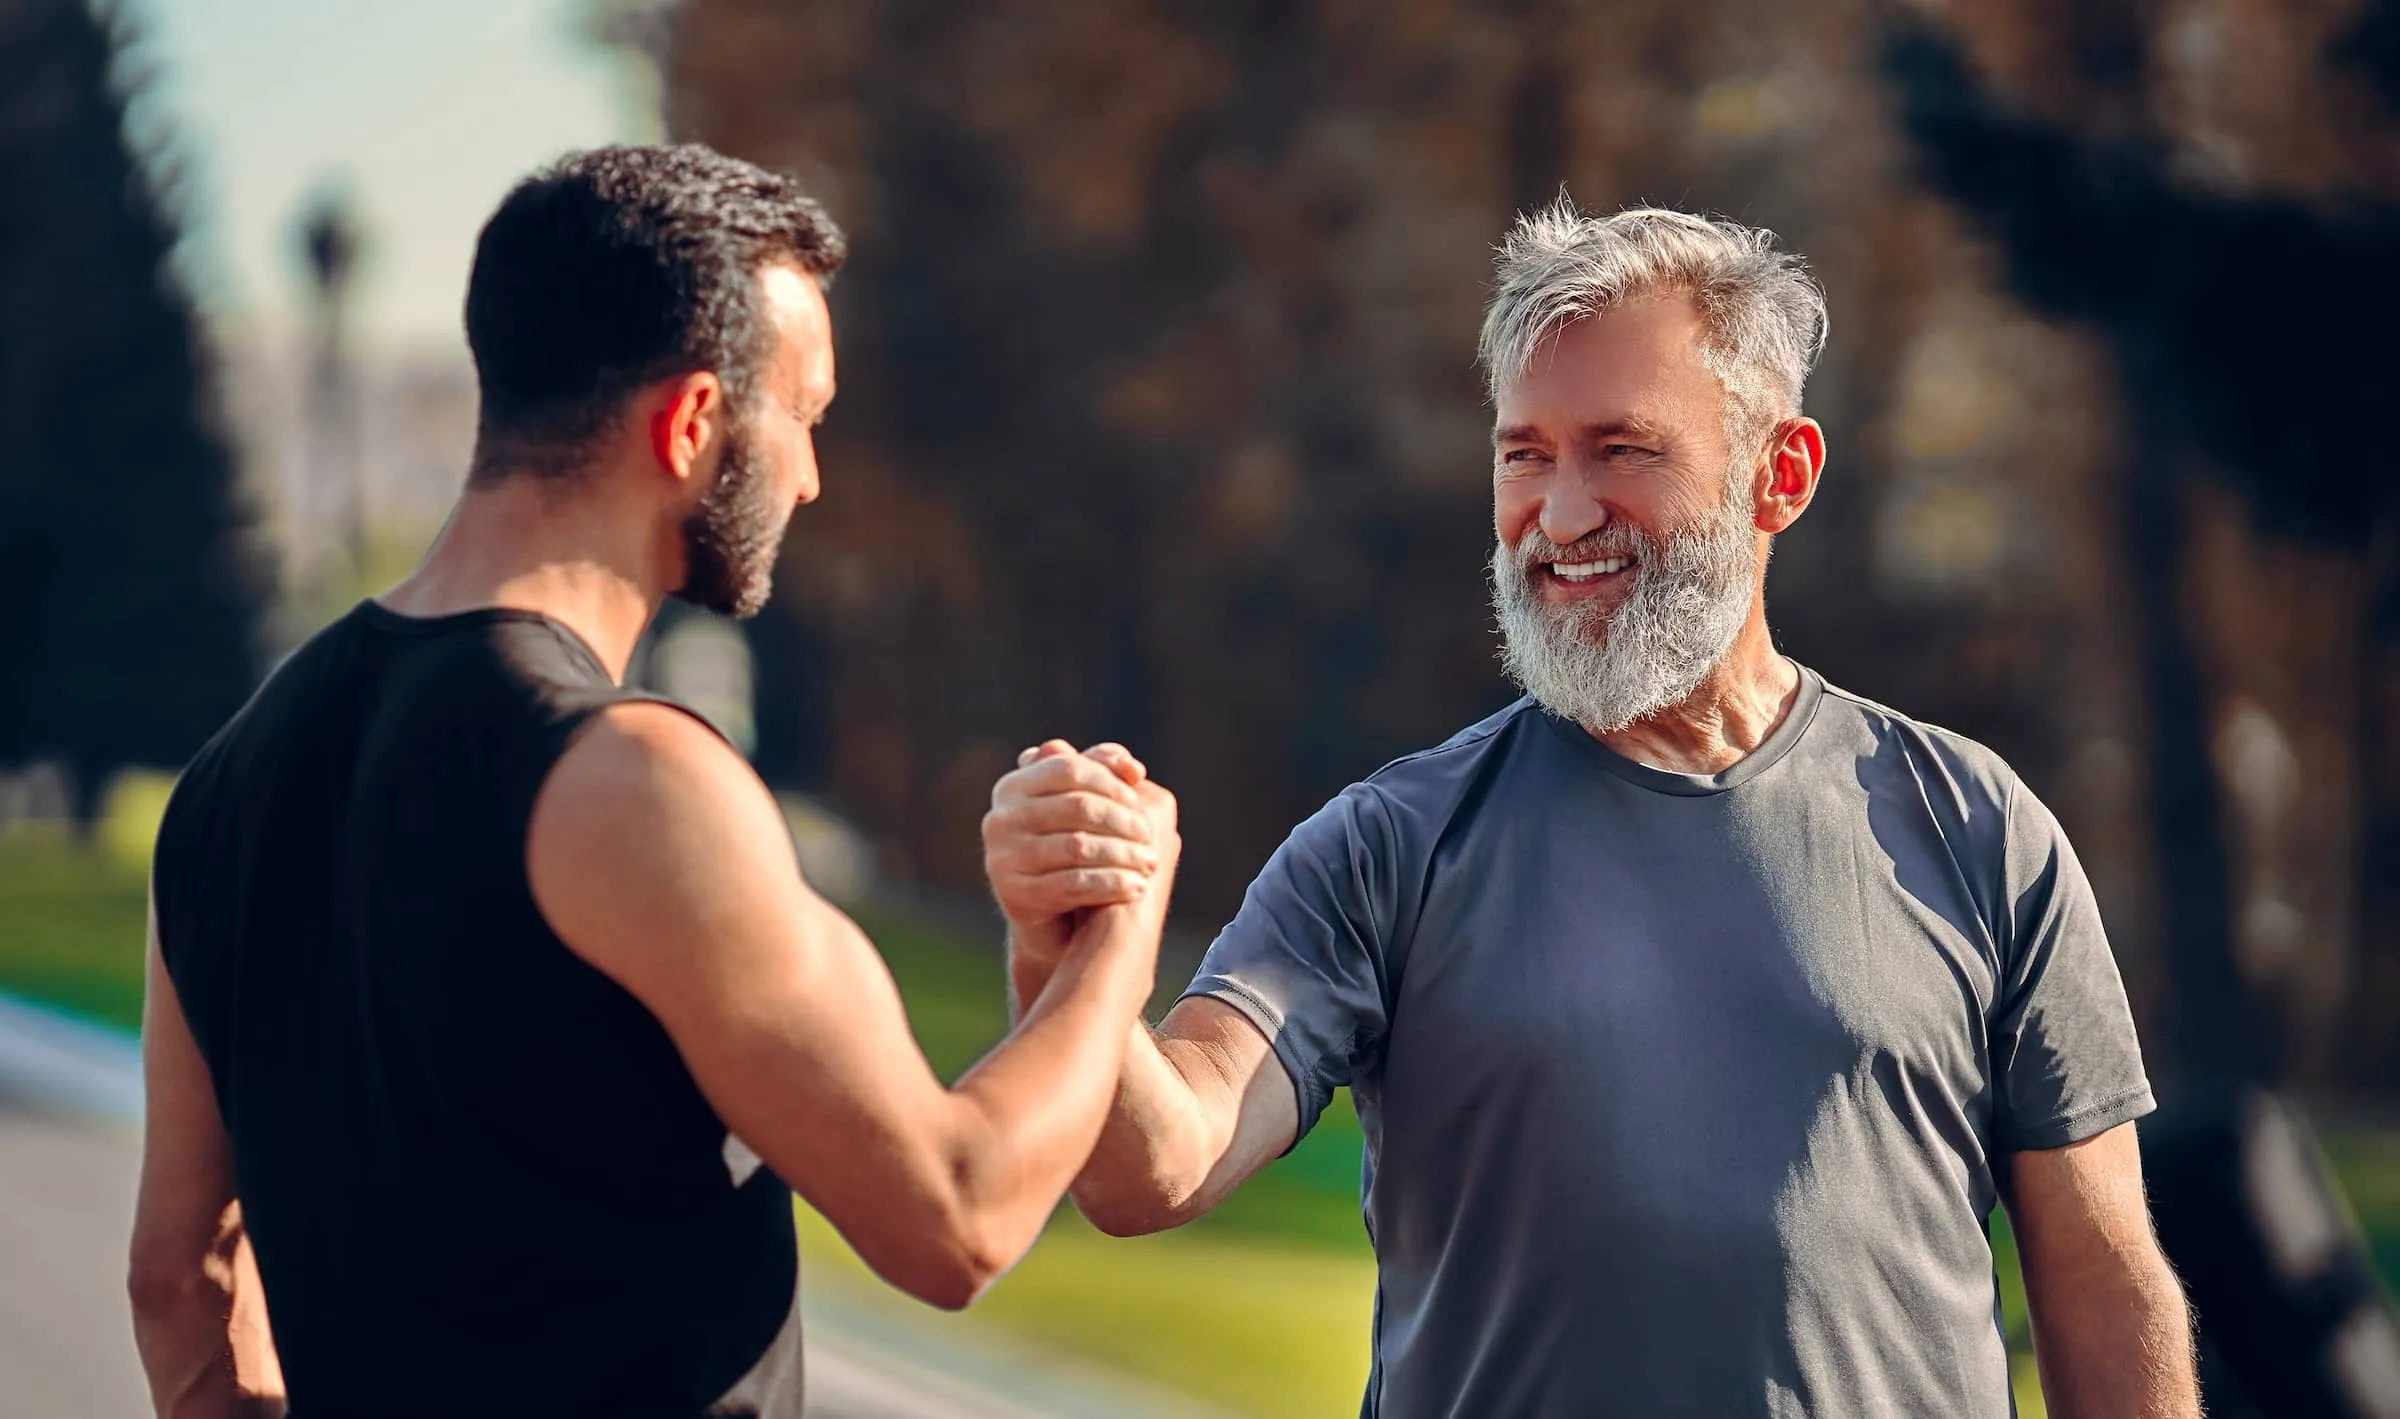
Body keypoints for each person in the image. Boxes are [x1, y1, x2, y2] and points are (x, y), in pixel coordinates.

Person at [984, 200, 2200, 1418]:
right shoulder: (1389, 849)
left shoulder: (1979, 829)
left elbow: (2104, 1277)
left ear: (1779, 476)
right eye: (1526, 454)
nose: (1560, 518)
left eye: (1623, 450)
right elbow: (1152, 1168)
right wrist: (1068, 957)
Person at [128, 144, 1176, 1419]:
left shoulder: (232, 778)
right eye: (804, 414)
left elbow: (180, 1280)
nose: (809, 477)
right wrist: (1118, 930)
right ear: (691, 426)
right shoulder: (633, 779)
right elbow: (955, 1214)